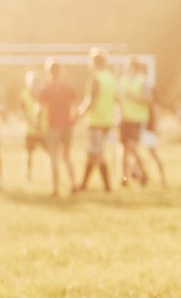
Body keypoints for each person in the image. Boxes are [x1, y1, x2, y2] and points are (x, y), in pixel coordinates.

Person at [33, 59, 80, 197]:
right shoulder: (68, 86)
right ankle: (74, 184)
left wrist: (36, 121)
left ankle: (55, 189)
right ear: (61, 70)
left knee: (54, 157)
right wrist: (74, 120)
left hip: (53, 126)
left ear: (48, 72)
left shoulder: (46, 88)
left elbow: (39, 108)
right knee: (66, 156)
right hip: (67, 126)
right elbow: (75, 107)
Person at [74, 49, 119, 192]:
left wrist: (79, 114)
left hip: (97, 120)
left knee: (98, 153)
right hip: (107, 119)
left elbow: (91, 100)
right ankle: (84, 185)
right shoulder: (110, 77)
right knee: (92, 153)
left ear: (93, 62)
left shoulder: (95, 78)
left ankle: (107, 187)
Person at [116, 59, 153, 187]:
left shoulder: (142, 80)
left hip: (137, 119)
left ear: (134, 67)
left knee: (132, 147)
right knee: (124, 149)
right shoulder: (123, 80)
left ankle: (144, 173)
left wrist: (133, 97)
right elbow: (119, 100)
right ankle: (124, 177)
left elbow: (149, 99)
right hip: (124, 118)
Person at [21, 69, 49, 182]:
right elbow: (24, 113)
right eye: (32, 82)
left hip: (44, 130)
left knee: (49, 153)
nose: (35, 84)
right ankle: (28, 175)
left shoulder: (45, 95)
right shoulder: (24, 95)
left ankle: (50, 173)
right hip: (30, 131)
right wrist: (32, 124)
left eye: (37, 82)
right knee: (29, 154)